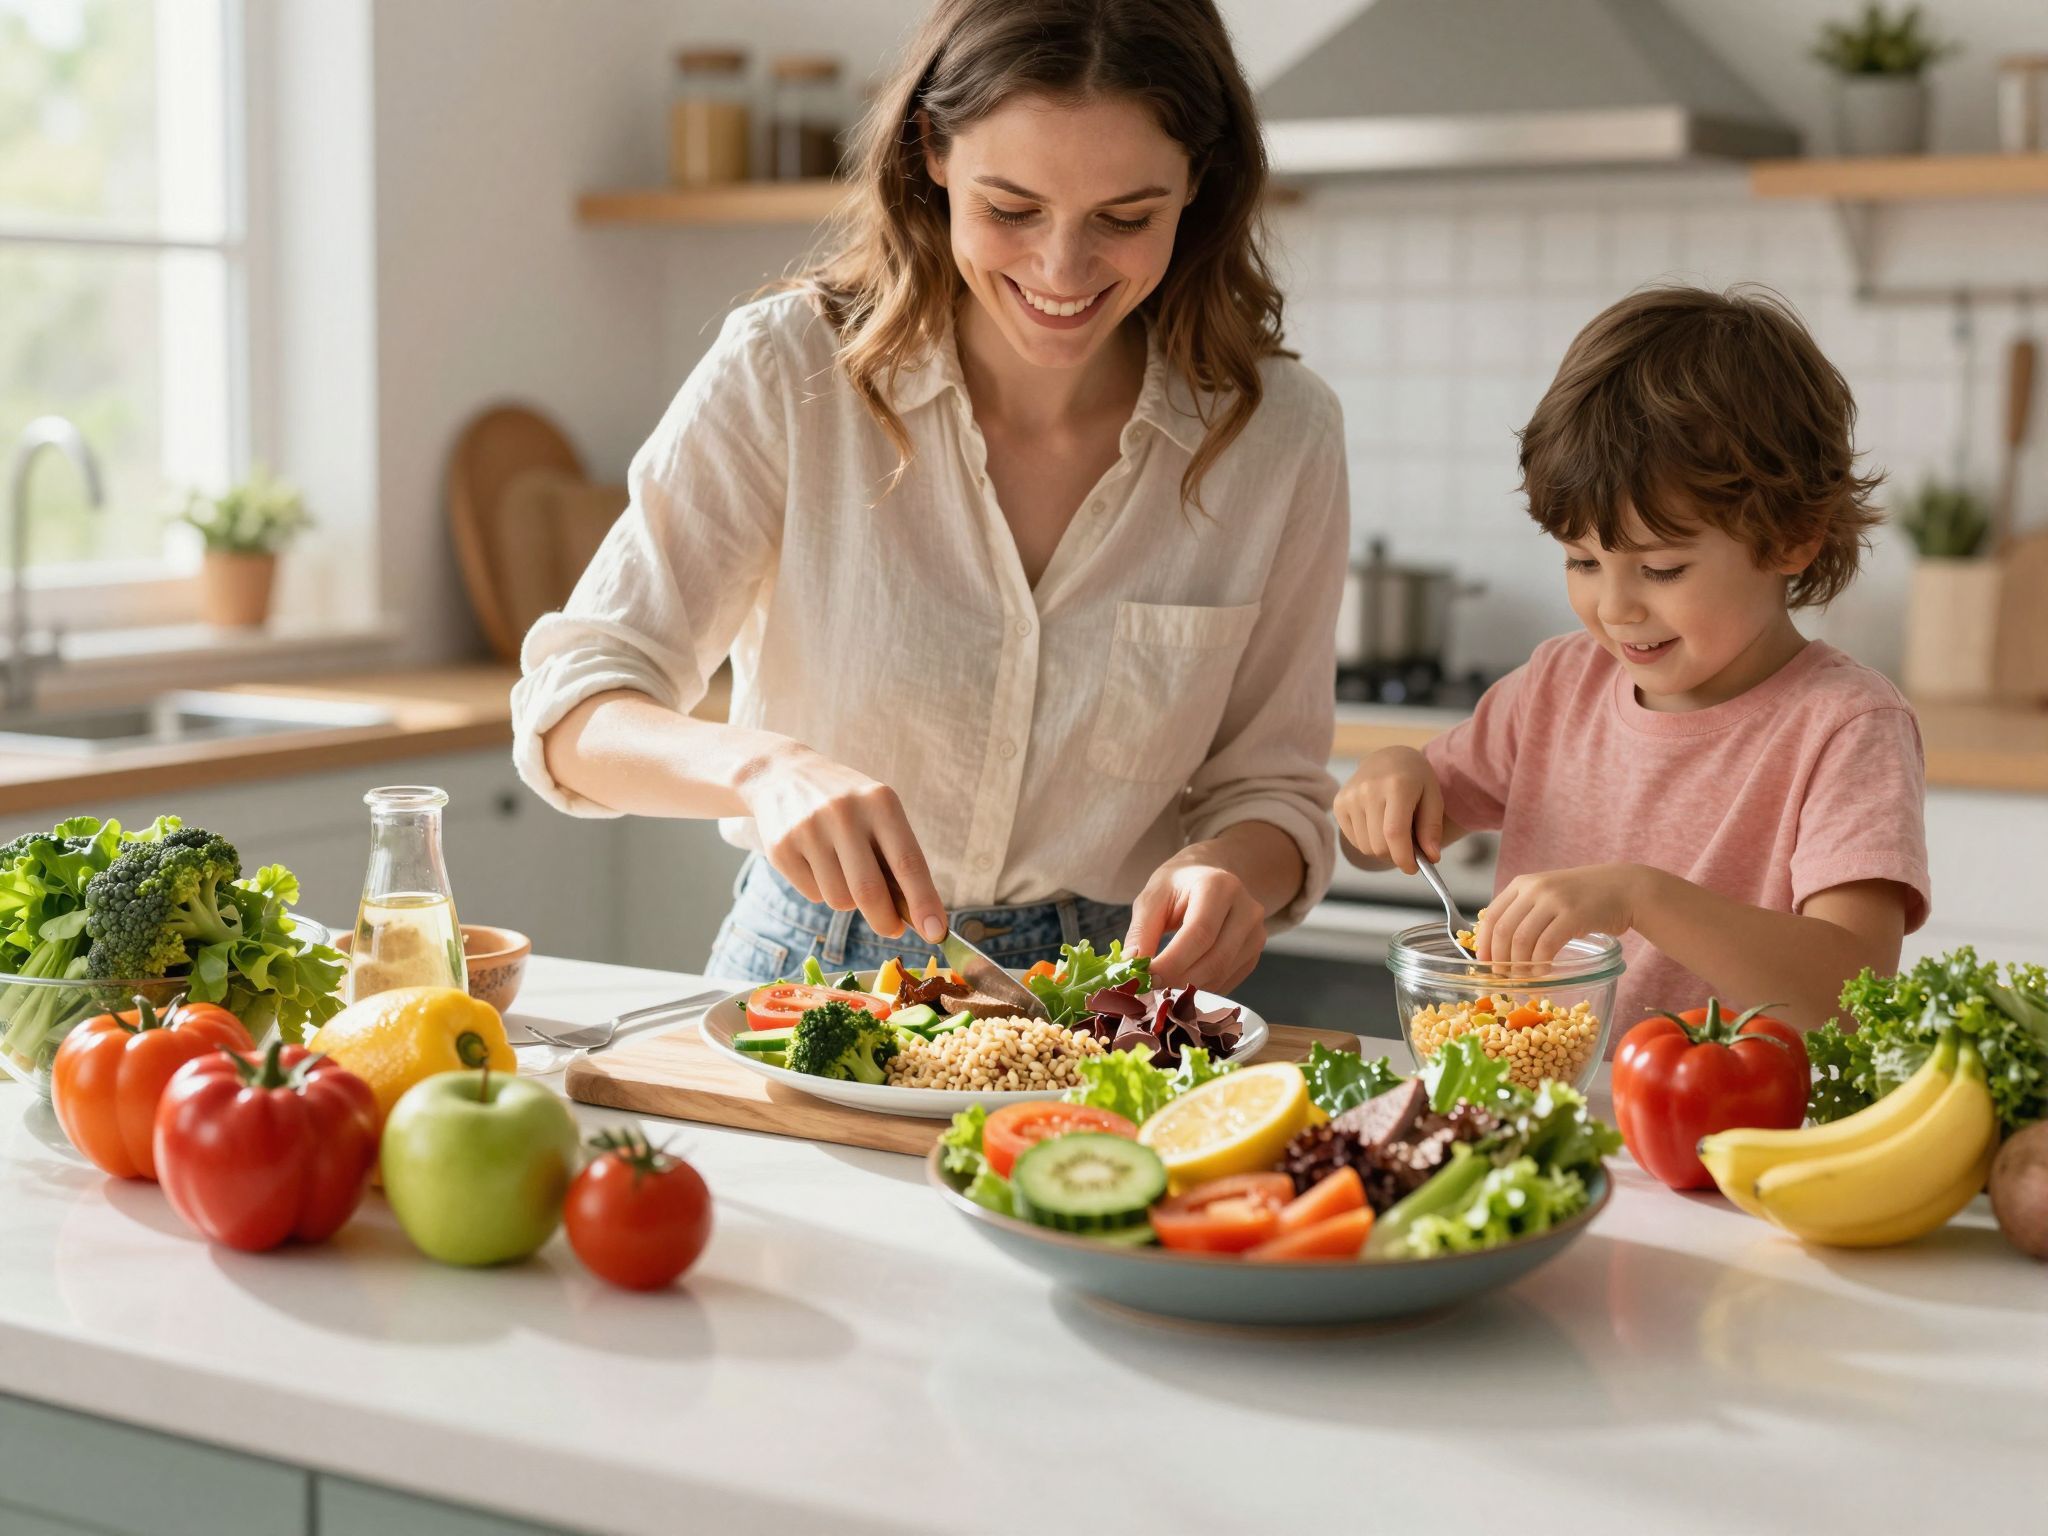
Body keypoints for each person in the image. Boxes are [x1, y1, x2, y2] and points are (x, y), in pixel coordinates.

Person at [512, 0, 1347, 990]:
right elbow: (572, 710)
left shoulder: (1276, 435)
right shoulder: (787, 372)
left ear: (1197, 186)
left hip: (1105, 993)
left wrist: (1225, 869)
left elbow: (1274, 792)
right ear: (932, 155)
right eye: (1011, 209)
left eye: (1124, 220)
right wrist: (763, 770)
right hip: (807, 973)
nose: (1060, 270)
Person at [1337, 286, 1928, 1032]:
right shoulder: (1557, 686)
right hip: (1538, 1119)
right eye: (1582, 562)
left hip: (1742, 1138)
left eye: (1662, 570)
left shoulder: (1845, 726)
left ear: (1791, 538)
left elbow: (1849, 996)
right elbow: (1370, 850)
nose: (1615, 610)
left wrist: (1644, 898)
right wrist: (1389, 779)